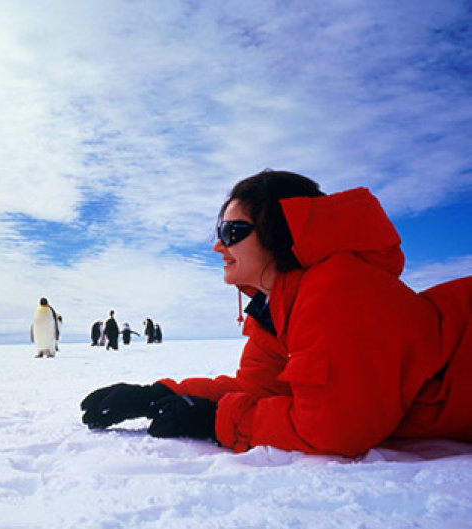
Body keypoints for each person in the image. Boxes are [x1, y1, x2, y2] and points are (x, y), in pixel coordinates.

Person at [81, 170, 472, 457]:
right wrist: (160, 394)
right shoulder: (280, 304)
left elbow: (332, 427)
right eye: (220, 231)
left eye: (233, 232)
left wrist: (215, 420)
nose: (219, 246)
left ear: (280, 233)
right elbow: (259, 387)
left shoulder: (338, 287)